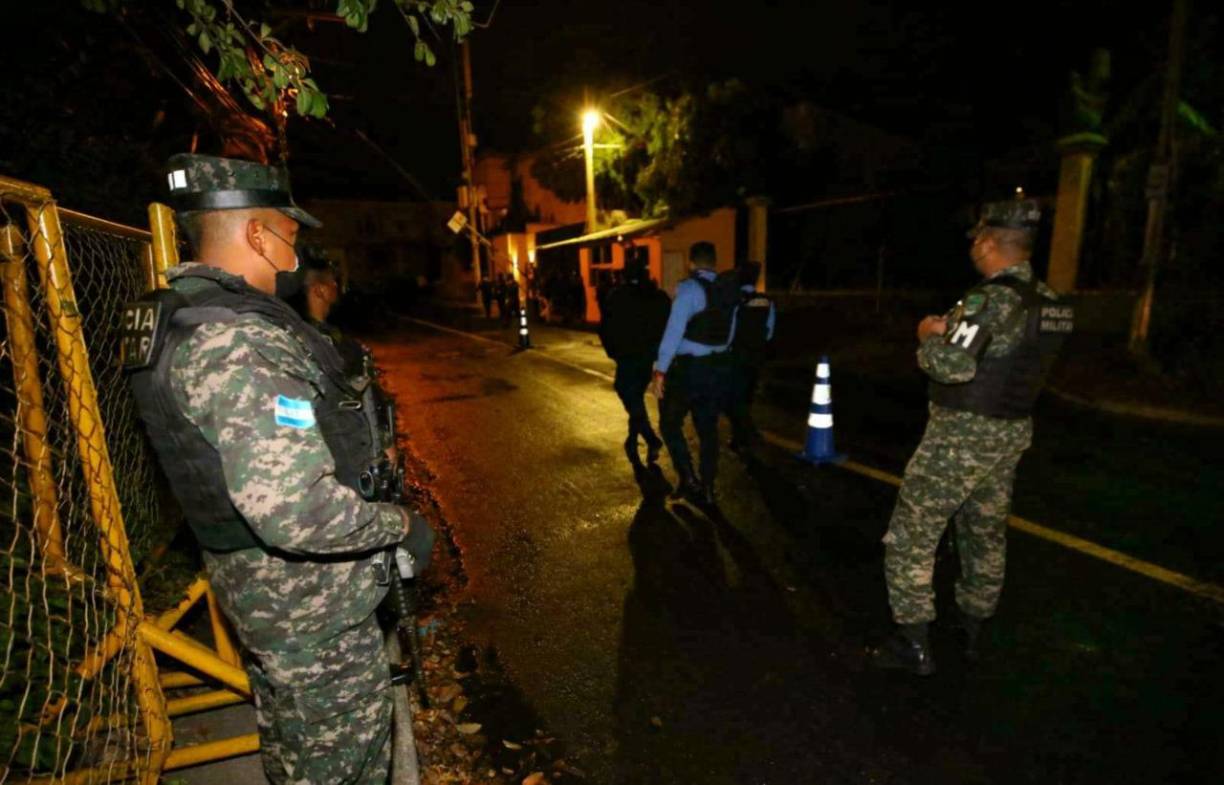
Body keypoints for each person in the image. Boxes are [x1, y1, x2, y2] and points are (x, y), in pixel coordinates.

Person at [122, 153, 435, 783]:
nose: (295, 256)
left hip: (265, 598)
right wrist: (399, 525)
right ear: (258, 235)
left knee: (297, 755)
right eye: (289, 236)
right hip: (309, 610)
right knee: (341, 767)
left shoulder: (186, 317)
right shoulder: (238, 341)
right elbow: (297, 510)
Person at [869, 199, 1072, 676]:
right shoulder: (1050, 301)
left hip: (962, 437)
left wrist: (928, 335)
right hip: (1010, 431)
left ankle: (913, 644)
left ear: (987, 243)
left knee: (911, 534)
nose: (974, 248)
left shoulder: (991, 299)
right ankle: (973, 626)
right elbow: (1010, 356)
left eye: (977, 239)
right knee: (984, 531)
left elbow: (953, 366)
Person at [649, 242, 741, 505]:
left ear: (691, 263)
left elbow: (674, 331)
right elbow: (730, 334)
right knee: (708, 429)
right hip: (718, 368)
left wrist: (660, 371)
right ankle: (708, 486)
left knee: (669, 423)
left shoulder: (689, 289)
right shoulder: (729, 291)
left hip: (689, 371)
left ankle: (688, 478)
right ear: (714, 263)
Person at [599, 257, 672, 468]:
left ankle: (651, 438)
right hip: (647, 356)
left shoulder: (618, 297)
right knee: (636, 396)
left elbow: (606, 328)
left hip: (627, 356)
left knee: (627, 393)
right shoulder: (658, 297)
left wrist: (613, 352)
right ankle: (632, 440)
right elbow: (666, 324)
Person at [725, 261, 776, 456]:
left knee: (733, 401)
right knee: (746, 399)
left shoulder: (737, 301)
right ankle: (739, 439)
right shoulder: (767, 301)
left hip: (737, 356)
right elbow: (769, 332)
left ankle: (748, 437)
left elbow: (730, 333)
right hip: (757, 357)